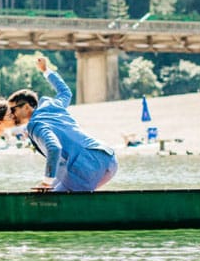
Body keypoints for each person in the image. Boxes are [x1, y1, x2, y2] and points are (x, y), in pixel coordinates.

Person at [8, 57, 118, 192]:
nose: (12, 114)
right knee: (54, 190)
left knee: (51, 205)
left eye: (13, 109)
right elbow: (65, 92)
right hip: (108, 158)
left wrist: (46, 182)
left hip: (87, 165)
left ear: (26, 107)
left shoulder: (36, 124)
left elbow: (54, 148)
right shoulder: (54, 105)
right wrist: (46, 71)